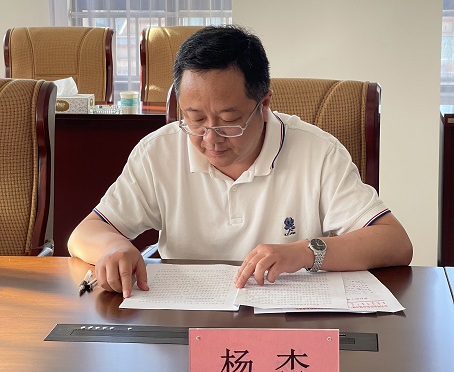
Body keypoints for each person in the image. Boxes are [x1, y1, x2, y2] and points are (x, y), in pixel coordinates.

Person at [68, 25, 412, 297]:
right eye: (195, 119)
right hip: (187, 319)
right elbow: (84, 233)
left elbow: (394, 242)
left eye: (229, 121)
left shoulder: (318, 152)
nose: (210, 138)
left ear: (264, 104)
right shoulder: (159, 151)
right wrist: (113, 245)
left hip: (288, 322)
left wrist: (305, 252)